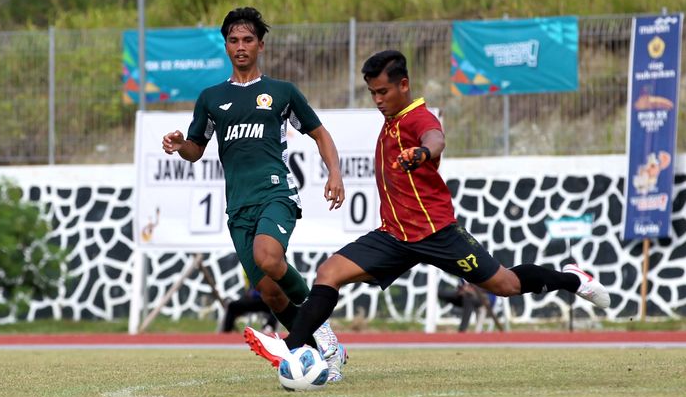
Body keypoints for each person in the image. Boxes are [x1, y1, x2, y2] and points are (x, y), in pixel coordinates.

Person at [244, 49, 610, 367]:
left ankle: (573, 279)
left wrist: (422, 152)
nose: (377, 99)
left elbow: (436, 138)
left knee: (506, 284)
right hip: (393, 236)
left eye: (383, 91)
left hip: (437, 233)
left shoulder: (418, 118)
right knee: (329, 272)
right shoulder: (390, 122)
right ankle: (295, 349)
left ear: (404, 85)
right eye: (372, 93)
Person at [162, 7, 348, 381]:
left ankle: (325, 336)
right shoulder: (212, 98)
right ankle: (312, 355)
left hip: (276, 193)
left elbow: (320, 133)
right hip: (239, 208)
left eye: (248, 39)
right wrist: (180, 144)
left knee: (269, 257)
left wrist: (335, 173)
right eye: (234, 40)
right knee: (271, 293)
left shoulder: (281, 92)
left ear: (261, 45)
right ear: (226, 46)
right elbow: (196, 150)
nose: (241, 46)